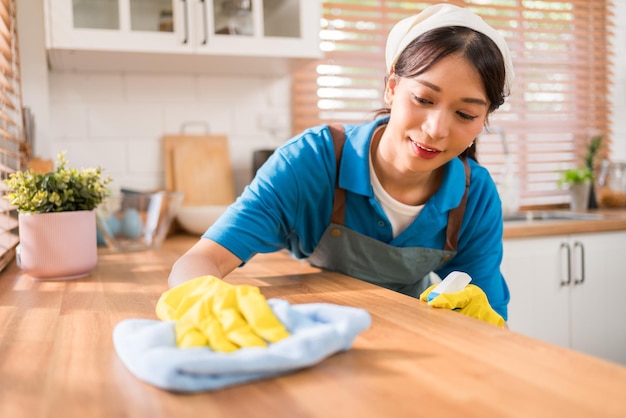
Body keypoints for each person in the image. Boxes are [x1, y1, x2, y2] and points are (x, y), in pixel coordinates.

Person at [168, 3, 514, 324]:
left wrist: (482, 319)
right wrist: (204, 299)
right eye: (423, 98)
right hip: (313, 333)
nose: (435, 129)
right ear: (392, 86)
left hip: (410, 343)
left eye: (465, 114)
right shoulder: (313, 161)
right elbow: (201, 260)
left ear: (484, 119)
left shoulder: (475, 195)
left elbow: (493, 317)